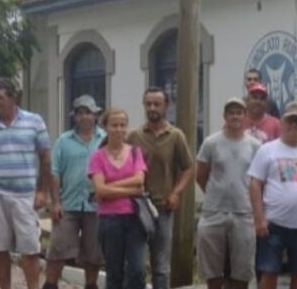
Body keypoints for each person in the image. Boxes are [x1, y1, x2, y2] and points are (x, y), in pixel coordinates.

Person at [0, 78, 51, 289]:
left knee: (30, 249)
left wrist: (42, 191)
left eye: (0, 97)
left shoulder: (35, 122)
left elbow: (45, 158)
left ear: (13, 97)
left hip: (25, 196)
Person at [249, 109, 297, 289]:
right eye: (290, 122)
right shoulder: (267, 150)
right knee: (269, 273)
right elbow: (254, 184)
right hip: (273, 225)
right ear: (282, 124)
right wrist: (259, 219)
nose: (293, 126)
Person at [127, 87, 195, 289]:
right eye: (148, 104)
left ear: (166, 106)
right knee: (135, 265)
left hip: (163, 209)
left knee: (161, 267)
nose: (152, 108)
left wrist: (176, 192)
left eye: (157, 104)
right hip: (136, 208)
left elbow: (188, 168)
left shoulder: (176, 136)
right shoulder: (134, 136)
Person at [196, 98, 261, 289]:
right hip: (214, 212)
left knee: (242, 269)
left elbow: (259, 180)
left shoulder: (255, 145)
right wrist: (215, 194)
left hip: (244, 213)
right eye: (231, 112)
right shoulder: (211, 143)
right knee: (212, 269)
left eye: (239, 112)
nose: (235, 116)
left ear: (245, 116)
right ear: (225, 116)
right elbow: (201, 175)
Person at [43, 95, 105, 289]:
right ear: (74, 117)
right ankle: (51, 284)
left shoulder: (105, 140)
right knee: (57, 249)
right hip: (68, 204)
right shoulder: (63, 141)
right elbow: (55, 173)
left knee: (94, 253)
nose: (84, 117)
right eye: (80, 113)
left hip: (96, 206)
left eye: (88, 112)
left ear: (95, 115)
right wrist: (55, 202)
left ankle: (91, 284)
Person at [88, 108, 147, 289]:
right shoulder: (98, 156)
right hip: (109, 220)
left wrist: (109, 188)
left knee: (137, 270)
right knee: (114, 271)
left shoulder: (136, 152)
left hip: (135, 218)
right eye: (114, 125)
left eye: (123, 125)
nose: (119, 129)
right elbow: (99, 189)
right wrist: (129, 189)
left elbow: (140, 182)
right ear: (105, 127)